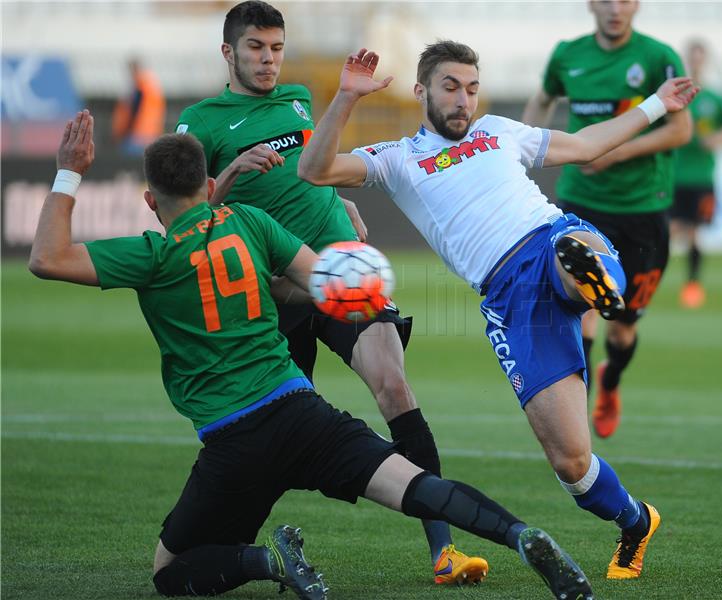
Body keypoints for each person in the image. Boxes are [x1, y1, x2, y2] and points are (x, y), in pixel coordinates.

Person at [28, 110, 596, 600]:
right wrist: (361, 266)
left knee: (170, 572)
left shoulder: (149, 255)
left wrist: (71, 170)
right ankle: (520, 534)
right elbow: (331, 284)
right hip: (303, 412)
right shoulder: (250, 223)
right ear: (206, 184)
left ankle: (268, 563)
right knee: (417, 487)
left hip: (234, 442)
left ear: (150, 200)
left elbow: (47, 258)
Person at [297, 42, 696, 580]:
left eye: (472, 88)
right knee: (573, 467)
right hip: (508, 299)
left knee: (569, 250)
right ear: (421, 91)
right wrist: (346, 97)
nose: (464, 99)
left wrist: (655, 103)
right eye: (451, 87)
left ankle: (598, 282)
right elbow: (314, 169)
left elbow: (582, 145)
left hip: (547, 238)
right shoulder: (396, 159)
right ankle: (635, 520)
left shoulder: (499, 132)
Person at [172, 2, 487, 582]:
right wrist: (235, 172)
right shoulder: (202, 122)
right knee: (272, 437)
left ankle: (444, 552)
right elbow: (185, 218)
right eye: (255, 49)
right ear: (228, 53)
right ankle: (230, 550)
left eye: (275, 48)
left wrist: (336, 199)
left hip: (341, 270)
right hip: (275, 291)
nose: (268, 60)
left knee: (394, 385)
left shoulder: (296, 97)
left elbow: (309, 169)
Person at [522, 0, 691, 438]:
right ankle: (575, 429)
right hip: (584, 204)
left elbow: (680, 130)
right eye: (607, 0)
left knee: (623, 329)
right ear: (592, 5)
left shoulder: (658, 57)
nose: (616, 9)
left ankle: (610, 382)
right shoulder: (567, 55)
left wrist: (613, 152)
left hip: (642, 209)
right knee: (583, 309)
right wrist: (517, 153)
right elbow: (542, 100)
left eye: (626, 0)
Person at [672, 40, 722, 309]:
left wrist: (715, 139)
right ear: (687, 60)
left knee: (695, 234)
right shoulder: (674, 97)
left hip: (702, 178)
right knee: (669, 231)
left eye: (700, 57)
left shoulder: (716, 99)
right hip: (674, 177)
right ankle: (645, 282)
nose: (696, 62)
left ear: (705, 60)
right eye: (692, 57)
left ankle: (692, 285)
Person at [111, 58, 166, 155]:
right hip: (149, 135)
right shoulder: (150, 86)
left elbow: (133, 112)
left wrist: (122, 132)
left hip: (138, 137)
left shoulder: (140, 88)